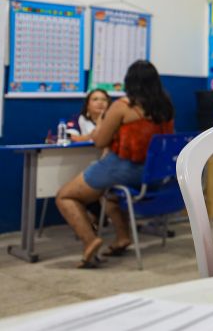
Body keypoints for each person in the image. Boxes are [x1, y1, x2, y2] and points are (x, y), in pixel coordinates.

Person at [55, 60, 175, 268]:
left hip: (123, 168)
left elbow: (100, 141)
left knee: (65, 196)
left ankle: (90, 240)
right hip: (154, 175)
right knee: (110, 196)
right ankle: (122, 238)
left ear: (129, 82)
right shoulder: (166, 108)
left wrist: (102, 122)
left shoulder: (123, 106)